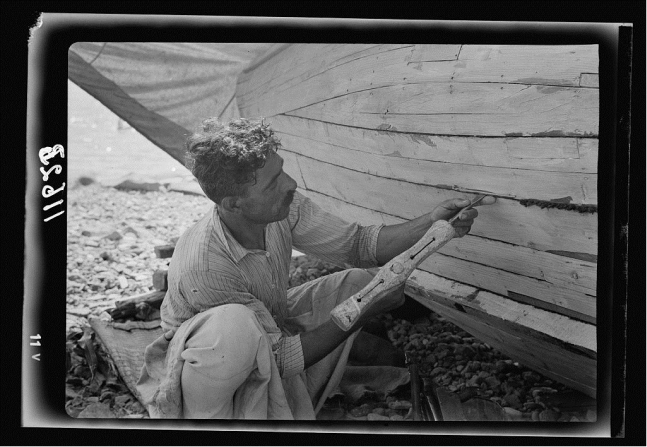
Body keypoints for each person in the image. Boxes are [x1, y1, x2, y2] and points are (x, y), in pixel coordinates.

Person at [136, 117, 495, 419]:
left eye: (282, 171)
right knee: (235, 326)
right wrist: (360, 313)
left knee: (357, 283)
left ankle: (294, 396)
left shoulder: (281, 208)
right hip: (207, 365)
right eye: (274, 182)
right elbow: (279, 360)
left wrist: (431, 223)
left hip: (267, 329)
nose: (290, 184)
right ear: (234, 203)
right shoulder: (207, 266)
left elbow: (358, 245)